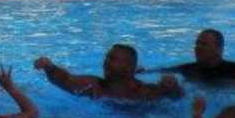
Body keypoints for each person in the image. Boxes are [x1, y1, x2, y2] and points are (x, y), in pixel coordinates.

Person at [32, 44, 181, 100]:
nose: (106, 63)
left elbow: (177, 98)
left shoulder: (146, 92)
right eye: (107, 58)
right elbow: (65, 80)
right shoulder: (94, 86)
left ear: (129, 66)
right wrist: (49, 67)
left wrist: (173, 88)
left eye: (113, 59)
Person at [155, 29, 235, 83]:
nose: (197, 47)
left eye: (203, 44)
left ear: (218, 48)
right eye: (197, 44)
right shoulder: (186, 70)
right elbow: (157, 72)